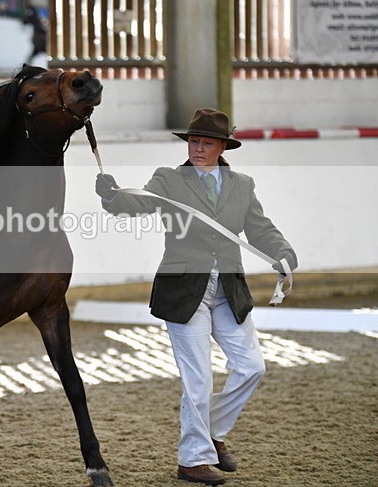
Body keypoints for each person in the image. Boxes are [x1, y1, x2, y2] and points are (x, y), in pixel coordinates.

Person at [95, 108, 297, 486]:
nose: (198, 148)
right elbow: (140, 204)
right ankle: (193, 460)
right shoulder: (169, 179)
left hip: (229, 290)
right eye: (193, 141)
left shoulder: (243, 185)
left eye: (206, 143)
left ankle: (214, 434)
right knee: (198, 379)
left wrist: (283, 253)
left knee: (252, 367)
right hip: (185, 289)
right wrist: (113, 196)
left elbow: (260, 228)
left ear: (223, 147)